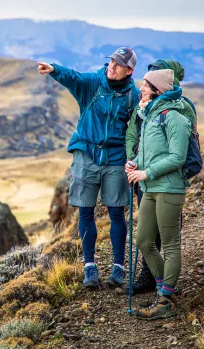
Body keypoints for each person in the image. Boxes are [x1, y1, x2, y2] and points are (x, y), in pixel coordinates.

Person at [38, 48, 141, 288]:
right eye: (111, 62)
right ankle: (89, 268)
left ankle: (118, 268)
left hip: (116, 157)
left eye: (118, 65)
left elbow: (137, 129)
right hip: (87, 154)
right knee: (85, 211)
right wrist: (54, 70)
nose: (112, 67)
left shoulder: (133, 96)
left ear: (130, 71)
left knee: (116, 212)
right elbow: (73, 77)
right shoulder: (94, 83)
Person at [125, 69, 191, 320]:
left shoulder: (174, 117)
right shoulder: (151, 116)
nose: (141, 88)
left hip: (169, 188)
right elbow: (146, 153)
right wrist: (133, 163)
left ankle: (165, 299)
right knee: (143, 240)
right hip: (150, 187)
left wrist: (146, 173)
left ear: (157, 90)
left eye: (145, 84)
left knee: (171, 243)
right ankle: (165, 287)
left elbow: (177, 157)